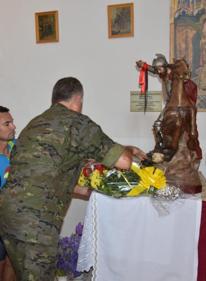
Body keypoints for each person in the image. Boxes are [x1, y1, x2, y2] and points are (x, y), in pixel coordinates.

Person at [0, 77, 146, 281]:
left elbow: (47, 173)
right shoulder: (78, 123)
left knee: (18, 270)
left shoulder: (34, 124)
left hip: (7, 213)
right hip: (35, 222)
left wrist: (86, 190)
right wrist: (129, 151)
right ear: (78, 100)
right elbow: (123, 162)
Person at [0, 106, 16, 281]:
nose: (13, 126)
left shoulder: (18, 148)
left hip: (16, 224)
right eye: (7, 124)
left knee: (13, 265)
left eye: (12, 122)